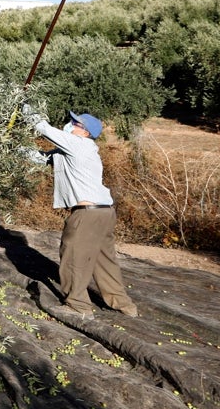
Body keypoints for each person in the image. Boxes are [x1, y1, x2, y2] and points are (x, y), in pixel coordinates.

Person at [22, 105, 138, 318]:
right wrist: (8, 145)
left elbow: (43, 128)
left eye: (75, 124)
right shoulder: (74, 151)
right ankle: (123, 305)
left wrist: (24, 107)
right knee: (104, 260)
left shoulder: (79, 144)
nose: (70, 125)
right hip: (104, 212)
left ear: (85, 132)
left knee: (74, 256)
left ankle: (78, 306)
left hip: (88, 214)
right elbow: (40, 158)